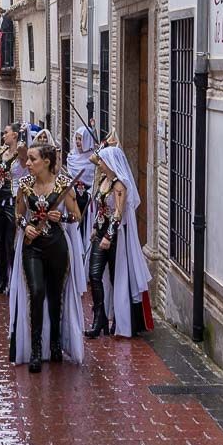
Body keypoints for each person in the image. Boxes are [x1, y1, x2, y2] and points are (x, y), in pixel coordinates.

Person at [8, 144, 85, 372]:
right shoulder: (24, 185)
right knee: (37, 290)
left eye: (32, 159)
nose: (28, 163)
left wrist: (62, 216)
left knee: (54, 294)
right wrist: (25, 227)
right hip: (33, 247)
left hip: (57, 246)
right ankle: (35, 349)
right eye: (28, 160)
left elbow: (77, 216)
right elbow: (18, 214)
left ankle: (55, 343)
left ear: (47, 162)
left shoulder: (63, 185)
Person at [86, 145, 153, 339]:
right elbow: (100, 208)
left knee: (117, 277)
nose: (99, 162)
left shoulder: (119, 186)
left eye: (103, 160)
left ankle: (118, 319)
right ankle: (99, 317)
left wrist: (108, 235)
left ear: (111, 162)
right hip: (99, 234)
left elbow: (118, 213)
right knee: (95, 274)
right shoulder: (103, 181)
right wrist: (94, 228)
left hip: (114, 238)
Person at [0, 123, 25, 293]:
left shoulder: (21, 154)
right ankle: (1, 279)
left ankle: (13, 280)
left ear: (15, 135)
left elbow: (25, 172)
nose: (3, 136)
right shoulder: (2, 153)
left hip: (12, 198)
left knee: (10, 241)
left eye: (6, 133)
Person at [66, 126, 97, 245]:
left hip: (88, 200)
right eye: (77, 139)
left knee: (86, 228)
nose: (78, 142)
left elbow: (95, 180)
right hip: (73, 199)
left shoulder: (93, 160)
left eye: (81, 139)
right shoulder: (71, 158)